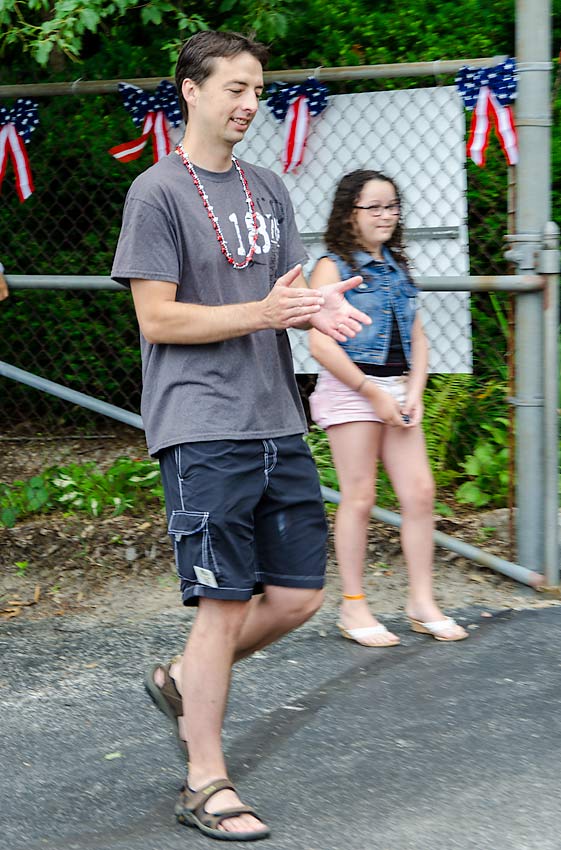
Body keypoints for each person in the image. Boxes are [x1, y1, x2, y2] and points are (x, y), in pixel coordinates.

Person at [111, 31, 371, 842]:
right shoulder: (156, 193)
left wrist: (317, 309)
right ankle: (204, 781)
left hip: (275, 417)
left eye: (257, 90)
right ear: (189, 90)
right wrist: (259, 314)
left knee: (297, 596)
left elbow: (286, 290)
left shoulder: (268, 189)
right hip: (200, 424)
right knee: (222, 603)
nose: (248, 104)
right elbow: (156, 317)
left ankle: (185, 680)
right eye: (233, 88)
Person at [308, 170, 469, 648]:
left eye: (392, 206)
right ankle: (353, 606)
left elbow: (417, 339)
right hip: (351, 388)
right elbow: (320, 345)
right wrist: (372, 392)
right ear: (348, 214)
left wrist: (414, 389)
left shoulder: (397, 268)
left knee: (420, 494)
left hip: (397, 390)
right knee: (359, 496)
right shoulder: (332, 267)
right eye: (374, 207)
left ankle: (421, 602)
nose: (386, 215)